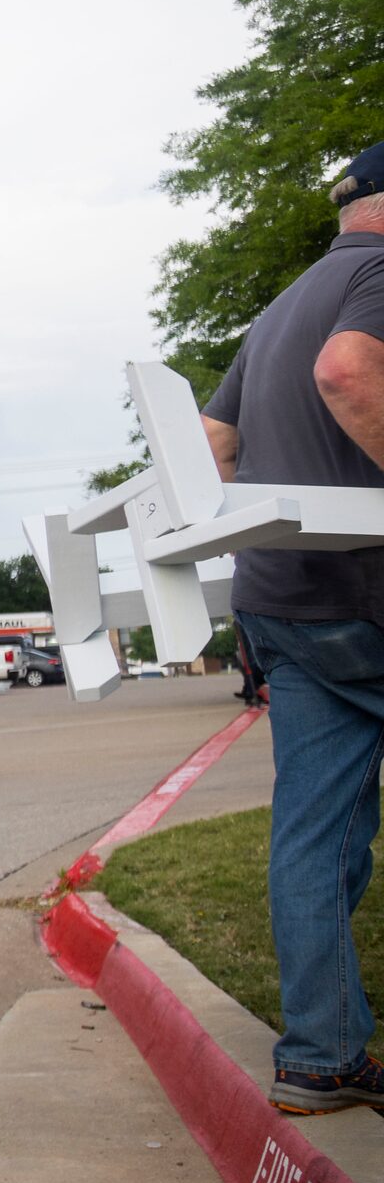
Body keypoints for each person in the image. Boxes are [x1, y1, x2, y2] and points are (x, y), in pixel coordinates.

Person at [200, 140, 384, 1116]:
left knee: (311, 832)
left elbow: (211, 445)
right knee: (319, 831)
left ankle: (318, 1054)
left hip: (278, 601)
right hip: (366, 596)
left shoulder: (275, 307)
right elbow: (349, 373)